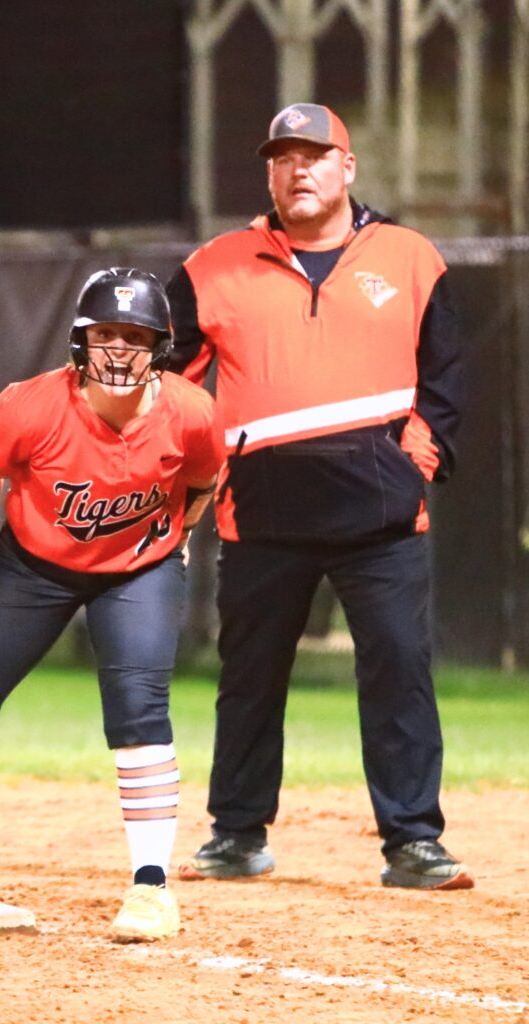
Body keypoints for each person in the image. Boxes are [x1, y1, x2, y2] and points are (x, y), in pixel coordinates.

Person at [166, 103, 471, 890]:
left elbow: (446, 379)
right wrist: (202, 466)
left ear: (348, 166)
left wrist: (416, 462)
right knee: (250, 675)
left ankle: (412, 842)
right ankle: (235, 834)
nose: (297, 170)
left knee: (399, 668)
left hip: (382, 516)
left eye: (314, 155)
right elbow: (169, 384)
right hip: (261, 512)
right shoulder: (214, 266)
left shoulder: (409, 257)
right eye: (282, 158)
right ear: (269, 172)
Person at [0, 268, 223, 942]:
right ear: (79, 341)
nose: (120, 350)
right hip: (35, 564)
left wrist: (170, 539)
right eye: (107, 334)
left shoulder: (192, 412)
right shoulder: (30, 405)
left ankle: (151, 887)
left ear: (162, 347)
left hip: (137, 570)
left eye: (137, 336)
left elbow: (203, 482)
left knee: (138, 712)